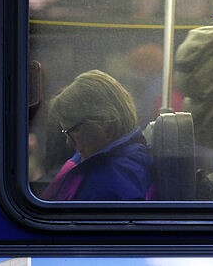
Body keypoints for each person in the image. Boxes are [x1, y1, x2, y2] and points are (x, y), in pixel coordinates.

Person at [41, 69, 152, 201]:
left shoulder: (110, 180)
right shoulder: (103, 160)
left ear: (104, 122)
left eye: (74, 130)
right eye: (65, 132)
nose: (69, 142)